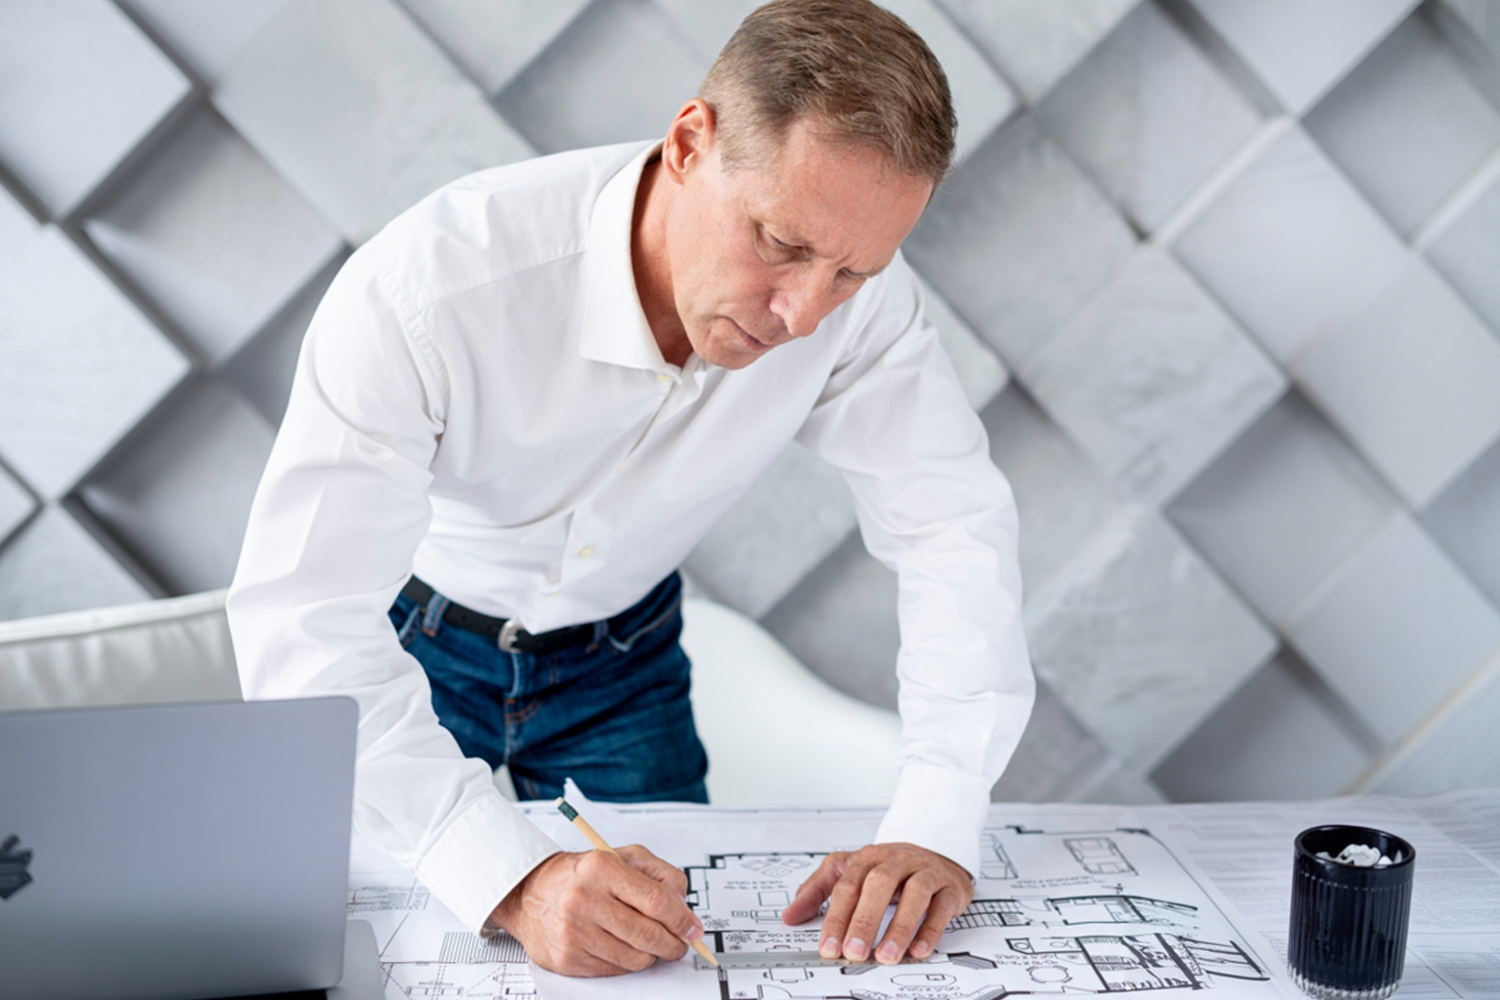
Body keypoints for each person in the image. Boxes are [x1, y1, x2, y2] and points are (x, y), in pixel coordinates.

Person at [227, 0, 1033, 978]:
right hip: (404, 663)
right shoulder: (428, 290)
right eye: (779, 242)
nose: (804, 314)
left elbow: (951, 523)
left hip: (625, 668)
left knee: (661, 968)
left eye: (853, 272)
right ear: (691, 143)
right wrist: (511, 878)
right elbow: (303, 618)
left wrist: (938, 816)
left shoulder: (854, 307)